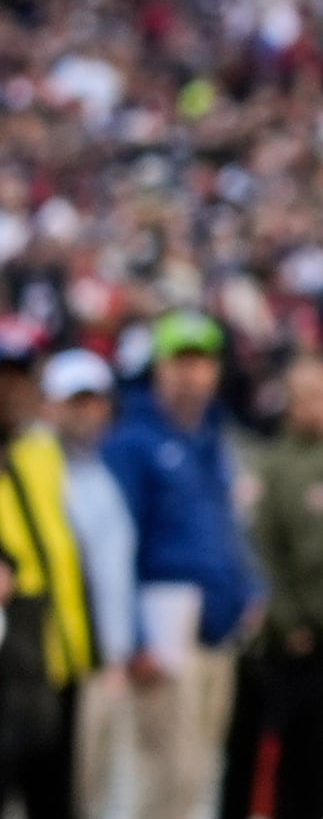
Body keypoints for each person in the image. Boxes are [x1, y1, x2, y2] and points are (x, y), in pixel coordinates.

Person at [103, 313, 255, 819]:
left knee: (197, 775)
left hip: (218, 623)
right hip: (166, 617)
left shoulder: (212, 437)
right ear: (159, 368)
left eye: (202, 362)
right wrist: (136, 635)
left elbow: (228, 525)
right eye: (181, 362)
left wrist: (252, 587)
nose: (192, 374)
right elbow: (116, 544)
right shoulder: (132, 440)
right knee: (162, 776)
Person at [245, 359, 323, 819]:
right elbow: (264, 551)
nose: (313, 406)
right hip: (302, 640)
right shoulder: (274, 466)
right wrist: (289, 619)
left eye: (321, 394)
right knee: (300, 763)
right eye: (302, 395)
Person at [0, 329, 92, 819]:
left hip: (49, 659)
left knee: (54, 797)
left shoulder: (42, 453)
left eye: (20, 378)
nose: (11, 391)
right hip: (11, 654)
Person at [44, 357, 134, 819]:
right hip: (59, 663)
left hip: (106, 660)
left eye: (94, 402)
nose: (87, 413)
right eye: (75, 402)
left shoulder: (102, 470)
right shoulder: (39, 472)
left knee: (97, 791)